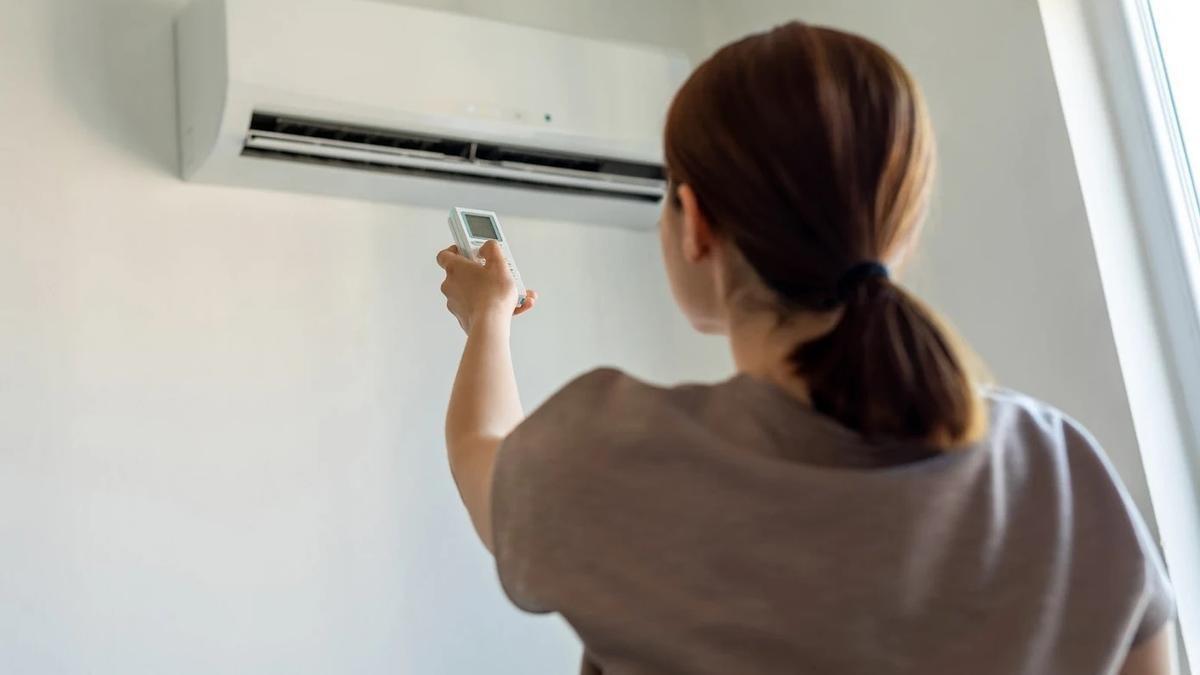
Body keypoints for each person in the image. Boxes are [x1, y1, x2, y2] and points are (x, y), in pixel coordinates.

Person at [434, 21, 1176, 675]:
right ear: (899, 227)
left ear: (694, 224)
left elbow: (481, 451)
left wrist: (489, 317)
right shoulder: (1057, 468)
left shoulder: (616, 455)